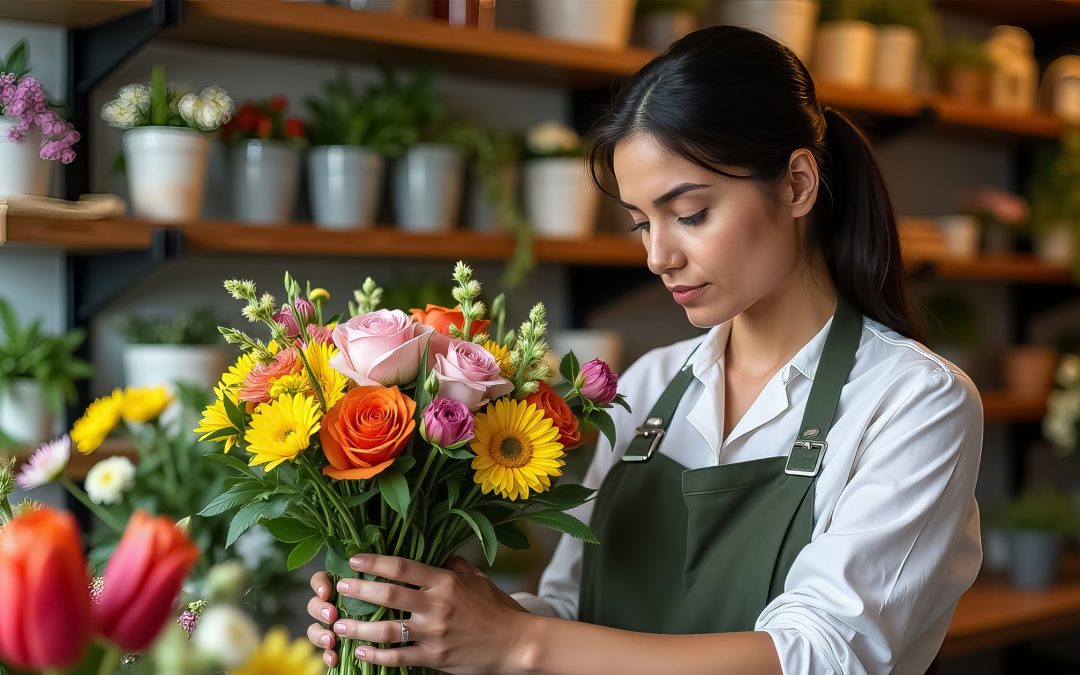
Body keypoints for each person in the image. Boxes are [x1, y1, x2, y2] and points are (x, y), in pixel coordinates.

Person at [304, 26, 983, 674]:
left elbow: (826, 655)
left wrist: (521, 642)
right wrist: (433, 624)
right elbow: (573, 611)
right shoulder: (653, 384)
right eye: (641, 223)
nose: (658, 255)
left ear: (799, 184)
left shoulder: (914, 400)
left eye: (690, 213)